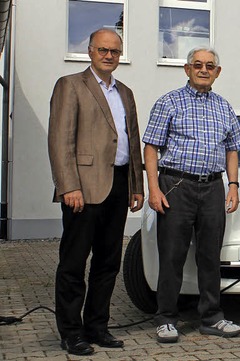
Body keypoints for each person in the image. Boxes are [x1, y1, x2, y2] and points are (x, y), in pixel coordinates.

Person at [48, 28, 144, 356]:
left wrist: (136, 185)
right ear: (89, 50)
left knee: (108, 262)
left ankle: (97, 327)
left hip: (118, 186)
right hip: (83, 188)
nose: (108, 56)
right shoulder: (71, 85)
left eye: (114, 51)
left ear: (120, 55)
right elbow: (60, 140)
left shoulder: (125, 92)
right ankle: (71, 332)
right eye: (102, 50)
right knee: (74, 263)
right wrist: (68, 185)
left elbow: (131, 140)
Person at [142, 46, 240, 343]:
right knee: (172, 255)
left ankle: (212, 317)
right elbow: (151, 147)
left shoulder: (224, 107)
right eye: (197, 64)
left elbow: (232, 149)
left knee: (210, 256)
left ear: (217, 72)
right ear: (187, 69)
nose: (203, 69)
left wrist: (234, 186)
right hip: (177, 186)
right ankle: (165, 318)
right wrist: (153, 188)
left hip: (213, 186)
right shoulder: (169, 102)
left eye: (209, 65)